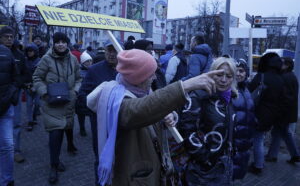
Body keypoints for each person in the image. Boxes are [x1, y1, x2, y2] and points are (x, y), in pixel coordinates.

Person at [86, 49, 224, 186]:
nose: (155, 78)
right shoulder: (116, 100)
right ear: (138, 78)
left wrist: (167, 115)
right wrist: (186, 86)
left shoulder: (141, 91)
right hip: (134, 177)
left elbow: (152, 107)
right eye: (151, 74)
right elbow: (140, 110)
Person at [179, 57, 242, 185]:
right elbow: (186, 130)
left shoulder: (230, 97)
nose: (224, 80)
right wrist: (205, 158)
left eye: (229, 76)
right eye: (219, 75)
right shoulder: (199, 96)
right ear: (211, 73)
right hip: (202, 169)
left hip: (225, 164)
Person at [33, 32, 81, 184]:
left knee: (65, 129)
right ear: (53, 44)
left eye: (63, 42)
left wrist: (75, 91)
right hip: (51, 103)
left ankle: (57, 160)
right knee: (55, 135)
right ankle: (53, 165)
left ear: (67, 43)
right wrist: (44, 92)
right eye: (57, 42)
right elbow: (37, 78)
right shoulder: (46, 59)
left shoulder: (73, 59)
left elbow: (79, 78)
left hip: (68, 102)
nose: (60, 44)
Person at [77, 39, 119, 185]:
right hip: (100, 123)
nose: (112, 54)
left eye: (114, 50)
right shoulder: (94, 70)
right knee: (101, 158)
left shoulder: (127, 69)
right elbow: (83, 96)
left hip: (121, 124)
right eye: (109, 50)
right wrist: (99, 106)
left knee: (120, 158)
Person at [248, 53, 289, 174]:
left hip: (257, 113)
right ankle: (259, 163)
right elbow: (283, 100)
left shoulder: (261, 76)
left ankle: (258, 166)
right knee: (260, 138)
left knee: (257, 140)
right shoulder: (282, 79)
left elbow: (248, 91)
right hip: (271, 115)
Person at [0, 26, 30, 163]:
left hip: (13, 97)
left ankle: (15, 151)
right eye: (6, 36)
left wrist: (16, 85)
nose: (9, 39)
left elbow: (26, 75)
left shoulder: (19, 55)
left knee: (16, 124)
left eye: (11, 37)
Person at [264, 57, 300, 164]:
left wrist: (278, 113)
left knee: (277, 132)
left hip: (283, 113)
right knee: (284, 133)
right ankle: (295, 155)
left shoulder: (285, 77)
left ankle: (272, 155)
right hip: (287, 113)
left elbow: (285, 98)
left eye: (282, 63)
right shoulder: (291, 76)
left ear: (287, 65)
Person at [232, 59, 256, 180]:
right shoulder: (228, 90)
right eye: (235, 71)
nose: (238, 74)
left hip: (244, 143)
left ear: (246, 73)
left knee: (238, 173)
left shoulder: (246, 90)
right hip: (234, 144)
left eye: (241, 71)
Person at [0, 44, 19, 186]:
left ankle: (7, 181)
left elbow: (15, 77)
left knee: (7, 145)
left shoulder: (6, 53)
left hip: (5, 107)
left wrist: (12, 96)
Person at [24, 43, 41, 131]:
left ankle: (34, 116)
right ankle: (30, 122)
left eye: (31, 51)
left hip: (37, 86)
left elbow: (42, 74)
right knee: (29, 104)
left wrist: (37, 85)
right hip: (27, 86)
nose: (29, 53)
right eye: (28, 51)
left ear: (35, 51)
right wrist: (25, 84)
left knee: (38, 104)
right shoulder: (24, 60)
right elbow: (22, 73)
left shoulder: (40, 61)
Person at [75, 51, 93, 136]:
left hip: (91, 96)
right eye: (87, 61)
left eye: (90, 61)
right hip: (81, 96)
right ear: (83, 62)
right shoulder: (78, 71)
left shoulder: (94, 70)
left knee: (92, 114)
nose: (89, 63)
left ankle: (93, 129)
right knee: (80, 114)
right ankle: (82, 128)